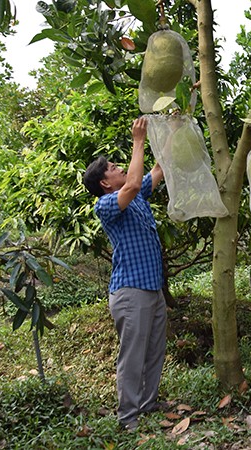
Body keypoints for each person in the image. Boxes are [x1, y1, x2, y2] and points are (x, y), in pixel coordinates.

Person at [82, 116, 167, 432]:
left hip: (152, 289)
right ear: (105, 183)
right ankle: (127, 418)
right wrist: (138, 141)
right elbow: (132, 183)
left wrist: (175, 123)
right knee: (132, 357)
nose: (120, 168)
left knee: (155, 350)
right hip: (130, 292)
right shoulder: (105, 205)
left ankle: (149, 404)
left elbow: (157, 170)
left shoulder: (138, 196)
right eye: (114, 168)